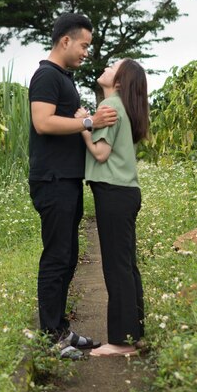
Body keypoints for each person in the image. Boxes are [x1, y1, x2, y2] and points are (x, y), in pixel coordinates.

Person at [29, 12, 118, 360]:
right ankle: (50, 339)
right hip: (51, 180)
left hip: (65, 180)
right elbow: (43, 123)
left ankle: (60, 329)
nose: (86, 52)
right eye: (83, 45)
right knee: (56, 257)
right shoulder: (46, 76)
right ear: (65, 41)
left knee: (67, 257)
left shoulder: (62, 77)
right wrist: (89, 120)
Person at [75, 58, 148, 357]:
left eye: (114, 66)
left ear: (119, 82)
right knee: (127, 266)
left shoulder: (111, 107)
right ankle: (135, 335)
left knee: (117, 268)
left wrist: (83, 124)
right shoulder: (121, 107)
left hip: (114, 193)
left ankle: (121, 342)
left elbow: (100, 153)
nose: (107, 65)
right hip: (125, 192)